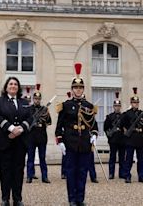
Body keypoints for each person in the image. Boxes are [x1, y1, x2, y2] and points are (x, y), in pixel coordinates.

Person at [55, 63, 98, 206]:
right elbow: (59, 126)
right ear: (72, 89)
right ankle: (72, 199)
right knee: (71, 172)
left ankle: (80, 198)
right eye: (75, 87)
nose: (78, 90)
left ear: (83, 89)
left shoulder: (89, 106)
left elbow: (94, 125)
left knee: (82, 172)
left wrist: (94, 135)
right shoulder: (65, 105)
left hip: (85, 143)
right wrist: (60, 141)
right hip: (70, 143)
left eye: (80, 87)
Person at [0, 77, 32, 206]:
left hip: (20, 142)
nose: (13, 86)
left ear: (18, 87)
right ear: (6, 87)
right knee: (5, 170)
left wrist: (21, 128)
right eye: (11, 84)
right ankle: (5, 198)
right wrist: (11, 128)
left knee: (18, 171)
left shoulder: (24, 102)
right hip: (4, 141)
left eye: (15, 84)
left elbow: (30, 118)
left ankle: (17, 198)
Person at [26, 84, 51, 184]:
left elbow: (49, 122)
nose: (37, 100)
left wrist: (42, 119)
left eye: (38, 99)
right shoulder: (29, 109)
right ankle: (29, 176)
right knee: (30, 158)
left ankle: (44, 177)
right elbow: (26, 121)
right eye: (35, 98)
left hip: (41, 137)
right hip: (31, 137)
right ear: (33, 99)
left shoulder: (44, 110)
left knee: (42, 158)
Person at [119, 87, 143, 183]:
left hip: (140, 138)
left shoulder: (141, 114)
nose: (135, 104)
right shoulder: (127, 114)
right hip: (130, 138)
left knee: (141, 160)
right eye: (134, 102)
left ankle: (141, 176)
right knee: (128, 159)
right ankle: (127, 176)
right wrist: (125, 132)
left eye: (137, 103)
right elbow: (122, 125)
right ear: (131, 103)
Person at [103, 92, 126, 179]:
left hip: (122, 140)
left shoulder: (123, 116)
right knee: (112, 157)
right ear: (113, 107)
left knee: (122, 158)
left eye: (118, 106)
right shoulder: (109, 117)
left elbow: (126, 127)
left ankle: (122, 173)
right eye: (116, 106)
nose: (117, 107)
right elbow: (105, 128)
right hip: (113, 140)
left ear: (120, 107)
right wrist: (109, 137)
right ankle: (111, 173)